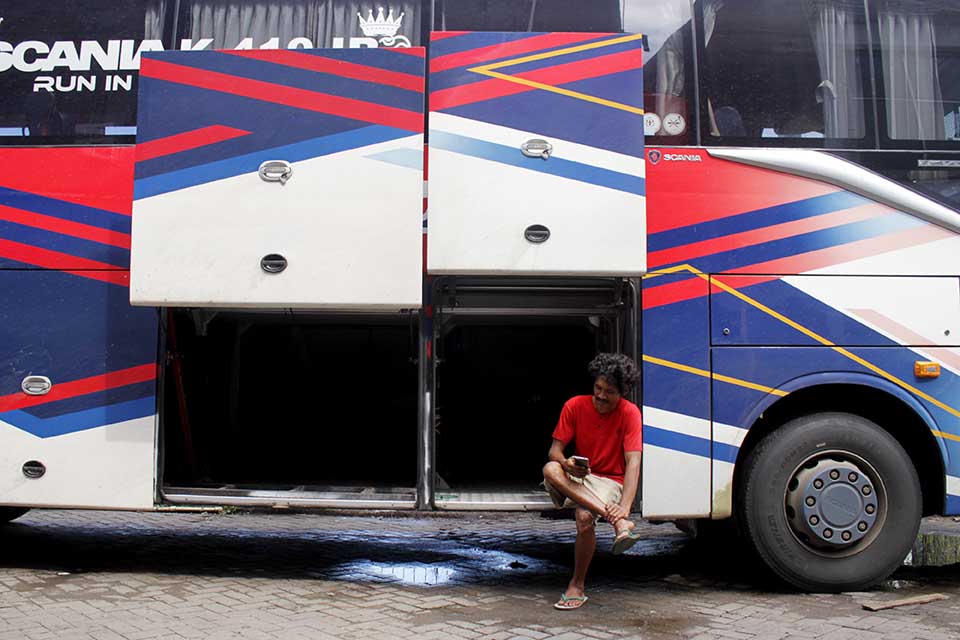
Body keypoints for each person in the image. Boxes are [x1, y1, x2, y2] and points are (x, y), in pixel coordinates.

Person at [542, 353, 643, 610]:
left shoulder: (630, 413)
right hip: (578, 478)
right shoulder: (574, 405)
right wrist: (568, 465)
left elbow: (633, 463)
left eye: (609, 392)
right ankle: (619, 523)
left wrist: (626, 505)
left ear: (622, 393)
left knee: (584, 518)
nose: (600, 396)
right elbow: (555, 452)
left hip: (609, 481)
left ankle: (576, 585)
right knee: (551, 468)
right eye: (598, 388)